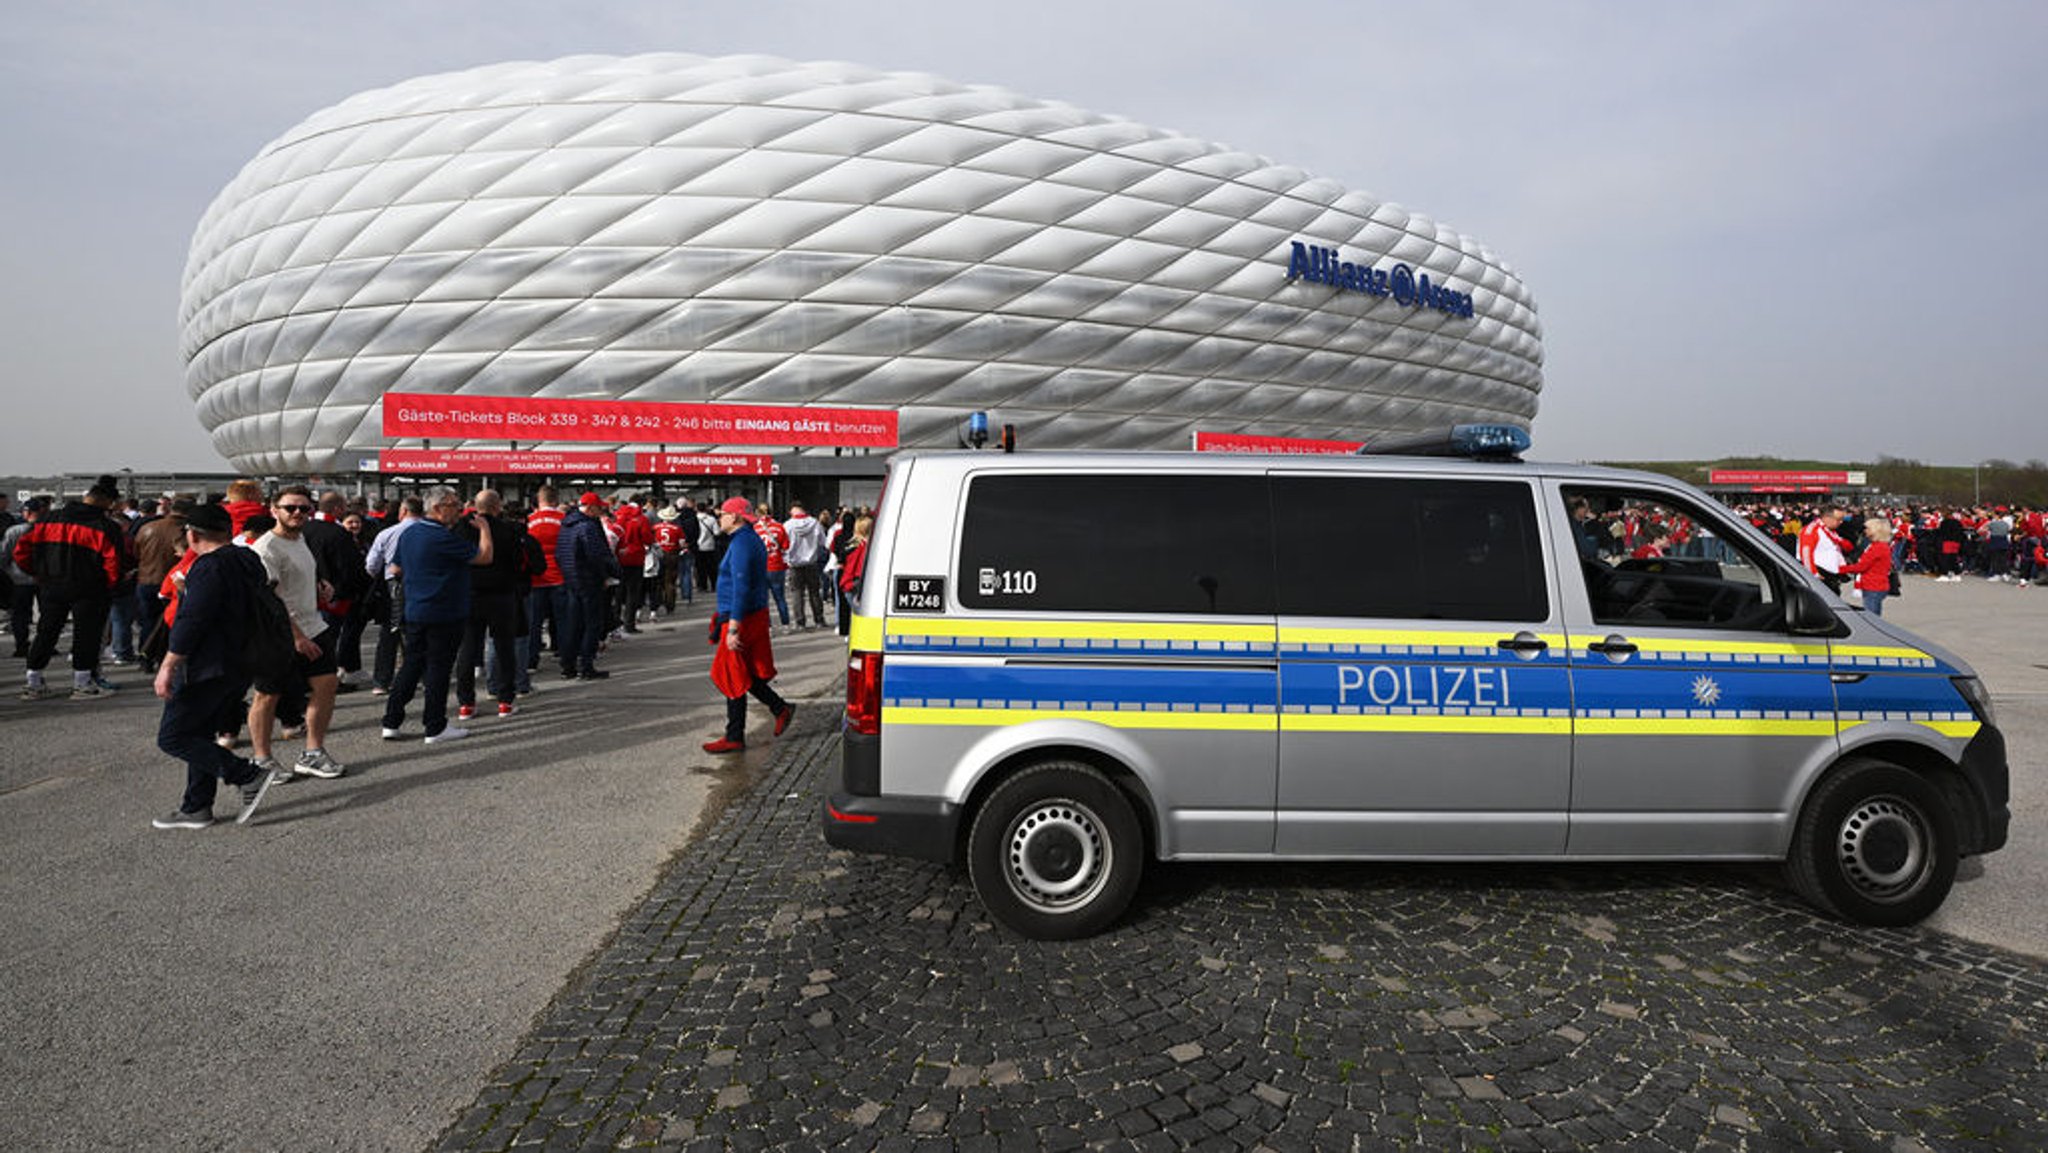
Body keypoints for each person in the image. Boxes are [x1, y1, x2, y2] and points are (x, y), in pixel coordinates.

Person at [150, 502, 279, 829]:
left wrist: (168, 665)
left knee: (173, 737)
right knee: (199, 733)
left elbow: (193, 620)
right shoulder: (247, 559)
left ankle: (247, 775)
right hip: (240, 660)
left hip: (208, 664)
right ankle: (196, 806)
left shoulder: (208, 567)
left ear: (192, 535)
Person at [248, 486, 347, 781]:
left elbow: (296, 575)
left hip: (313, 625)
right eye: (290, 508)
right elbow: (268, 598)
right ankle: (261, 759)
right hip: (279, 633)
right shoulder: (265, 548)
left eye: (304, 508)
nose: (297, 513)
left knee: (327, 684)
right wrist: (296, 637)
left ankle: (313, 753)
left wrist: (320, 585)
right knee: (268, 695)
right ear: (274, 510)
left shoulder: (300, 538)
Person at [381, 487, 493, 742]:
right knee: (438, 669)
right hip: (444, 610)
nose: (459, 510)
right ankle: (435, 725)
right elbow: (485, 557)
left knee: (412, 665)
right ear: (438, 508)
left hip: (417, 608)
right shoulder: (442, 537)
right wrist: (485, 529)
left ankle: (391, 720)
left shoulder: (409, 533)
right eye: (453, 504)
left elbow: (396, 567)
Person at [14, 475, 127, 701]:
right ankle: (82, 683)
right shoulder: (105, 527)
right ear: (107, 502)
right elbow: (113, 562)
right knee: (86, 634)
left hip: (51, 585)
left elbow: (21, 552)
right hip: (89, 589)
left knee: (46, 632)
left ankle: (33, 682)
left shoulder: (47, 520)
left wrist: (37, 574)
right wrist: (111, 584)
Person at [703, 496, 794, 753]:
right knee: (743, 673)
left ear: (736, 517)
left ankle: (736, 735)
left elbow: (741, 586)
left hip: (741, 617)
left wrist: (732, 626)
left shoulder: (742, 542)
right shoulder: (748, 539)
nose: (719, 517)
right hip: (748, 614)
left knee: (731, 673)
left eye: (723, 513)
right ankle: (778, 709)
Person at [454, 489, 525, 720]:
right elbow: (518, 563)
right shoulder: (510, 530)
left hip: (468, 593)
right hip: (501, 595)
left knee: (467, 649)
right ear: (498, 506)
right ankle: (505, 701)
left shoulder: (461, 528)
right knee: (504, 648)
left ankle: (466, 704)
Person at [363, 495, 425, 692]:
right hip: (423, 585)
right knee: (418, 632)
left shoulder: (386, 534)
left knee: (389, 633)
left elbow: (371, 566)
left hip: (393, 586)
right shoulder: (430, 532)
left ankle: (382, 681)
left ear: (404, 511)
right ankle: (419, 677)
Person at [555, 493, 620, 680]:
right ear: (591, 508)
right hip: (588, 581)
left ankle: (568, 666)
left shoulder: (567, 525)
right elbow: (597, 555)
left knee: (572, 624)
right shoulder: (588, 527)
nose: (602, 511)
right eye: (599, 508)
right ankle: (586, 666)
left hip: (571, 580)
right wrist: (607, 575)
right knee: (592, 624)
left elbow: (560, 554)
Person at [525, 486, 568, 678]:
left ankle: (531, 660)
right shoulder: (563, 521)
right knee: (562, 620)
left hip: (536, 579)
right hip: (559, 576)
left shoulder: (529, 521)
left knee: (534, 623)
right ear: (556, 500)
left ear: (538, 500)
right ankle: (564, 655)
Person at [2, 497, 44, 659]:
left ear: (26, 512)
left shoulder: (14, 531)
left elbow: (3, 555)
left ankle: (21, 646)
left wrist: (8, 572)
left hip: (18, 579)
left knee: (20, 615)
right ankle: (45, 644)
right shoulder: (49, 529)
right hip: (45, 579)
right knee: (47, 614)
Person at [783, 501, 827, 629]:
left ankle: (800, 622)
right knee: (814, 592)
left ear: (792, 510)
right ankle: (819, 620)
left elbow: (783, 545)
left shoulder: (787, 525)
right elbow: (823, 542)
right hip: (811, 563)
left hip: (794, 564)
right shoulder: (815, 523)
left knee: (797, 593)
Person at [1840, 518, 1896, 617]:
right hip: (1875, 584)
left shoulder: (1878, 547)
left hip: (1874, 585)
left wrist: (1840, 569)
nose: (1865, 531)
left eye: (1867, 528)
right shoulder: (1878, 545)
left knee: (1871, 616)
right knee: (1874, 614)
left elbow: (1861, 567)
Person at [1797, 505, 1849, 594]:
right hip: (1820, 573)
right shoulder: (1812, 530)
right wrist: (1813, 574)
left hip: (1831, 575)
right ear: (1827, 517)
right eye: (1838, 519)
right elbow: (1806, 553)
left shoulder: (1830, 530)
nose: (1841, 522)